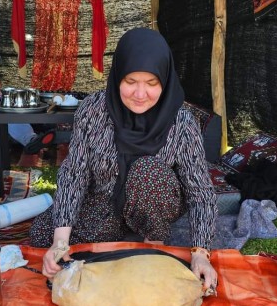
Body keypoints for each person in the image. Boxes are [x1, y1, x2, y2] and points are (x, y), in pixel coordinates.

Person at [31, 28, 218, 290]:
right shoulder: (93, 110)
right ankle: (124, 238)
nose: (140, 94)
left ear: (164, 80)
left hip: (154, 204)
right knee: (42, 234)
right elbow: (75, 173)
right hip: (105, 202)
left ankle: (153, 245)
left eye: (152, 83)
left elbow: (200, 193)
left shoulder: (182, 122)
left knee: (147, 172)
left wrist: (200, 254)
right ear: (118, 75)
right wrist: (59, 241)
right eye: (131, 81)